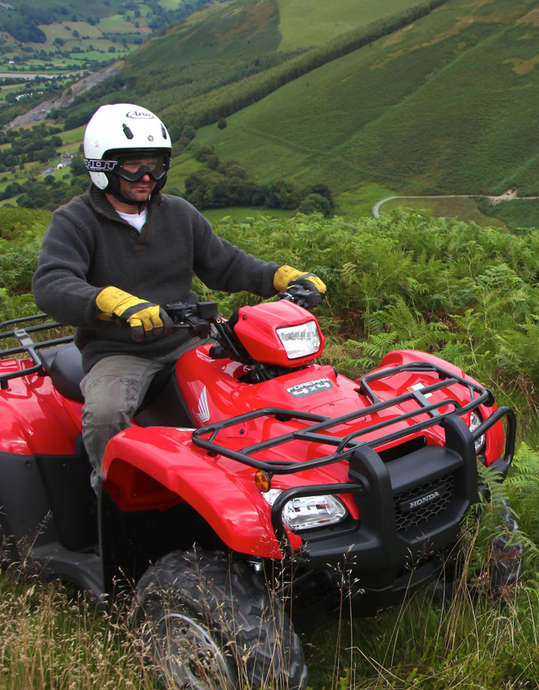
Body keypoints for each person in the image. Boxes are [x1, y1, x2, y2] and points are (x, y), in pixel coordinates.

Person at [33, 102, 326, 485]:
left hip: (191, 338)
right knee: (105, 414)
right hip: (121, 351)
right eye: (133, 165)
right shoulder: (75, 221)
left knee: (266, 386)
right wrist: (111, 302)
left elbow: (226, 264)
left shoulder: (178, 213)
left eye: (155, 164)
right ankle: (110, 491)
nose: (147, 176)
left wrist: (279, 276)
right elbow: (52, 284)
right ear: (102, 165)